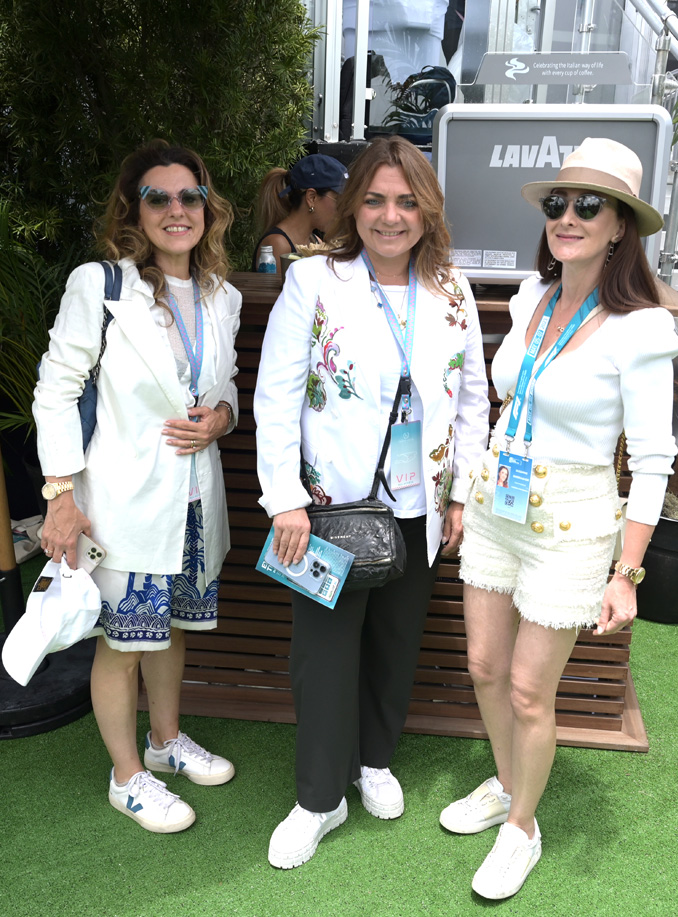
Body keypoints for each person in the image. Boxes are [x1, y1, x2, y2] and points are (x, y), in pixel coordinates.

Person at [439, 138, 678, 899]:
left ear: (621, 227)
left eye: (589, 205)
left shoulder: (642, 328)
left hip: (573, 521)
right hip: (497, 503)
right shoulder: (528, 297)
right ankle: (511, 785)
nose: (568, 217)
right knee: (482, 666)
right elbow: (506, 397)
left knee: (524, 690)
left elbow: (651, 461)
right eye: (558, 203)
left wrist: (628, 572)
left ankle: (522, 828)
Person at [254, 134, 490, 869]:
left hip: (420, 504)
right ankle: (319, 799)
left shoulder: (451, 287)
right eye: (378, 200)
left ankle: (375, 760)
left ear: (427, 211)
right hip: (328, 509)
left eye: (407, 201)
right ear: (354, 208)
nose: (391, 216)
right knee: (321, 655)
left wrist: (461, 494)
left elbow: (474, 400)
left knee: (396, 642)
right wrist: (284, 498)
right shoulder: (315, 281)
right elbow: (275, 395)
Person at [33, 141, 242, 833]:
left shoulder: (222, 295)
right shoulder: (102, 286)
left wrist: (221, 417)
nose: (177, 210)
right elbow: (56, 391)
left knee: (171, 628)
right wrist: (60, 494)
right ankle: (128, 776)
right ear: (134, 208)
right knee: (123, 644)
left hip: (191, 503)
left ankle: (164, 740)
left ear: (208, 209)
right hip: (121, 498)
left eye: (190, 197)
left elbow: (227, 389)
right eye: (160, 197)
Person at [251, 153, 349, 272]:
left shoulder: (316, 241)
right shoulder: (278, 244)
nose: (344, 209)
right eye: (339, 200)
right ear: (311, 198)